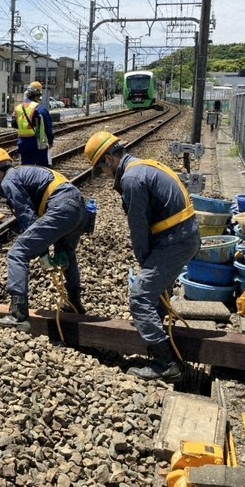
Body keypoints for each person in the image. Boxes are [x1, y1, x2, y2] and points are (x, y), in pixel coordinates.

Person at [84, 131, 200, 382]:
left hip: (175, 240)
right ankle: (158, 344)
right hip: (181, 236)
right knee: (156, 294)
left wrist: (145, 263)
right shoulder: (140, 167)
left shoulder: (131, 180)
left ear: (108, 160)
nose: (103, 175)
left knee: (140, 295)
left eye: (100, 169)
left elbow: (138, 228)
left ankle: (165, 364)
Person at [0, 147, 89, 331]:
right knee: (67, 253)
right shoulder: (22, 173)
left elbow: (26, 215)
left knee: (18, 253)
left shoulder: (9, 180)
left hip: (62, 206)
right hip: (79, 207)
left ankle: (18, 315)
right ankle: (75, 304)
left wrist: (42, 252)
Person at [11, 81, 54, 167]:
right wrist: (50, 141)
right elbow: (48, 127)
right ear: (38, 95)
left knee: (26, 169)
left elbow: (14, 124)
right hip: (37, 143)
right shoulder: (40, 108)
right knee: (41, 169)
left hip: (23, 143)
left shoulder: (18, 108)